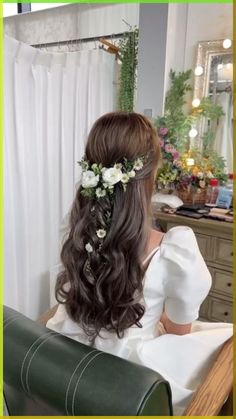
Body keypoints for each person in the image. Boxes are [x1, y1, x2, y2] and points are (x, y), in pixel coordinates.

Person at [47, 112, 232, 415]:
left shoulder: (81, 234)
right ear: (150, 175)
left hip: (74, 360)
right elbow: (178, 334)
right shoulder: (175, 250)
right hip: (131, 381)